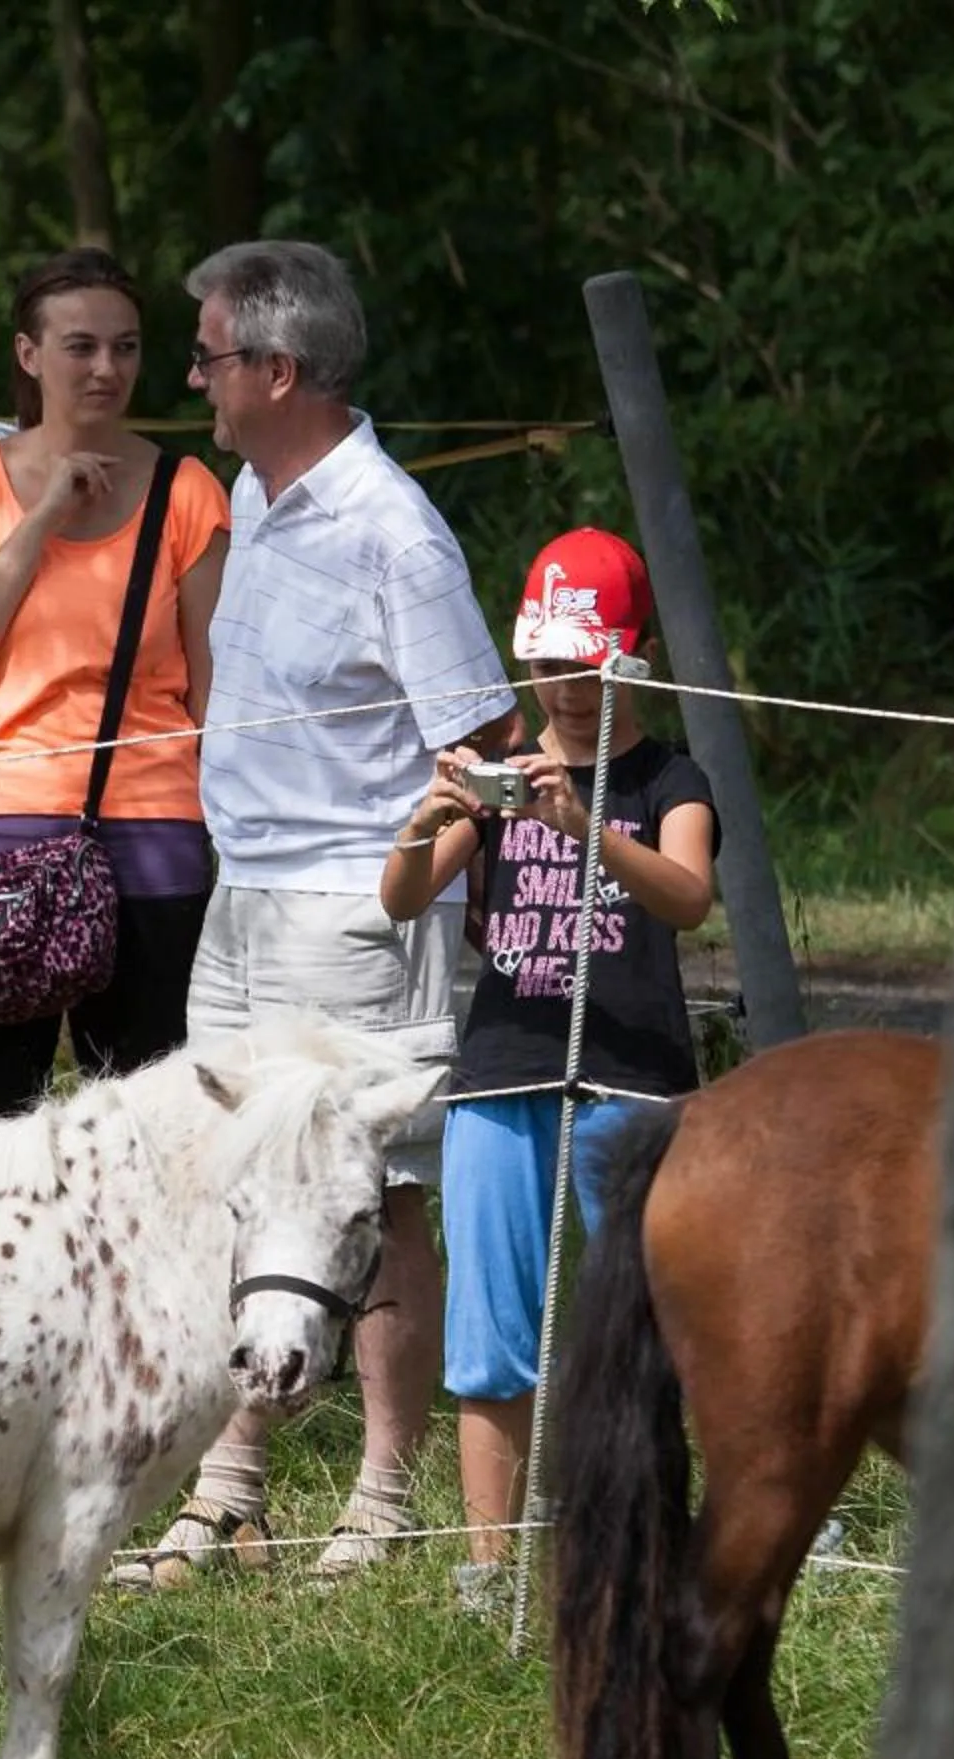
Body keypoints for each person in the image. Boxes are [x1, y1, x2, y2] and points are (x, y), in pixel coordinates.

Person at [120, 240, 515, 1589]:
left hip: (357, 908)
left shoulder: (395, 530)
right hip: (243, 899)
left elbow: (484, 746)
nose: (193, 380)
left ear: (280, 371)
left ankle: (384, 1492)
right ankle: (230, 1484)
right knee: (239, 1181)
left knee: (376, 1193)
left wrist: (402, 893)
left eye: (210, 357)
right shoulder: (259, 484)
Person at [379, 527, 715, 1602]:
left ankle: (658, 1543)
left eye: (587, 664)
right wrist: (426, 818)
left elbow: (688, 897)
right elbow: (398, 899)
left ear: (634, 653)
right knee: (491, 1332)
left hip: (633, 1082)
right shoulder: (502, 778)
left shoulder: (669, 777)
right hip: (503, 1074)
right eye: (548, 666)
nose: (566, 688)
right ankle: (491, 1569)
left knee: (655, 1319)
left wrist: (583, 829)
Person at [0, 248, 232, 1132]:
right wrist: (42, 514)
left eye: (125, 348)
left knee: (153, 1129)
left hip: (153, 832)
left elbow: (215, 694)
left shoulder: (187, 489)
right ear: (28, 356)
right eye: (81, 346)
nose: (107, 369)